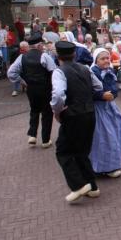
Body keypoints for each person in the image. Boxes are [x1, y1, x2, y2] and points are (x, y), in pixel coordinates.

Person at [51, 41, 102, 203]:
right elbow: (98, 86)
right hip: (89, 113)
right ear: (74, 54)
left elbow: (58, 95)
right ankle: (92, 187)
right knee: (82, 151)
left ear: (58, 56)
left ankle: (79, 185)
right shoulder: (85, 69)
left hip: (72, 115)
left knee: (63, 151)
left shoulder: (59, 72)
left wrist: (57, 110)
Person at [7, 34, 56, 147]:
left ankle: (32, 136)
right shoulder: (45, 56)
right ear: (38, 45)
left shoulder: (22, 57)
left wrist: (22, 81)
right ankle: (45, 140)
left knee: (34, 110)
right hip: (45, 89)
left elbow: (11, 72)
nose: (43, 46)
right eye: (42, 44)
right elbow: (54, 72)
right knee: (46, 113)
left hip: (31, 89)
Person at [89, 48, 121, 179]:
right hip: (99, 108)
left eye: (107, 58)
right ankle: (105, 167)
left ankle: (113, 161)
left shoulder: (109, 70)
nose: (106, 60)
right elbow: (88, 92)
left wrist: (112, 94)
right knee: (104, 136)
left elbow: (114, 89)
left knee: (117, 130)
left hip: (109, 107)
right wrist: (101, 95)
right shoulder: (92, 72)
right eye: (102, 59)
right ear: (96, 60)